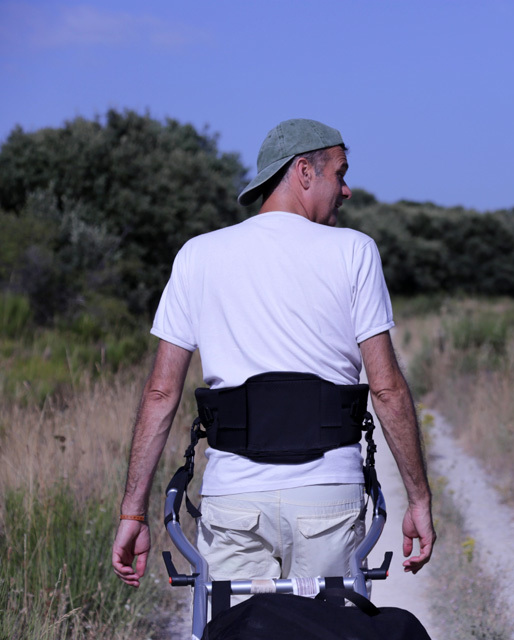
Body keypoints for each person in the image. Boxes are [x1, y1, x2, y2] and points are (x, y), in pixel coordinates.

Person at [111, 118, 435, 592]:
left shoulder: (198, 255)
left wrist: (133, 512)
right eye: (339, 174)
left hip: (234, 499)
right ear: (304, 171)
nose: (346, 191)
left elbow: (162, 393)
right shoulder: (354, 251)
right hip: (327, 497)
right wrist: (419, 500)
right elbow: (385, 389)